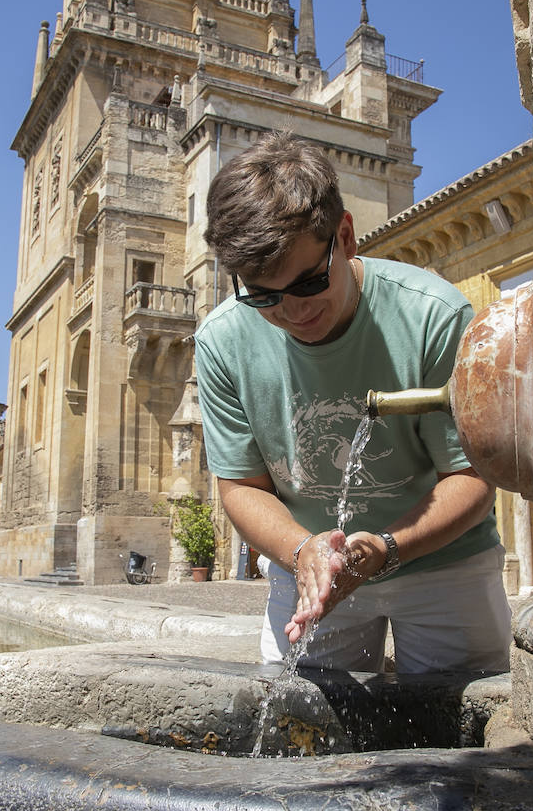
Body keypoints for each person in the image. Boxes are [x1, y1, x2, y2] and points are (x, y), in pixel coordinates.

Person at [194, 133, 511, 674]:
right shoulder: (222, 341)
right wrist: (304, 553)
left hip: (445, 564)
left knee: (468, 729)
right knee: (298, 728)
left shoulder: (433, 317)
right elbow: (242, 487)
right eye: (263, 295)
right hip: (309, 569)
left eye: (309, 282)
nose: (291, 312)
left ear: (344, 236)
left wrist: (387, 548)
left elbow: (472, 477)